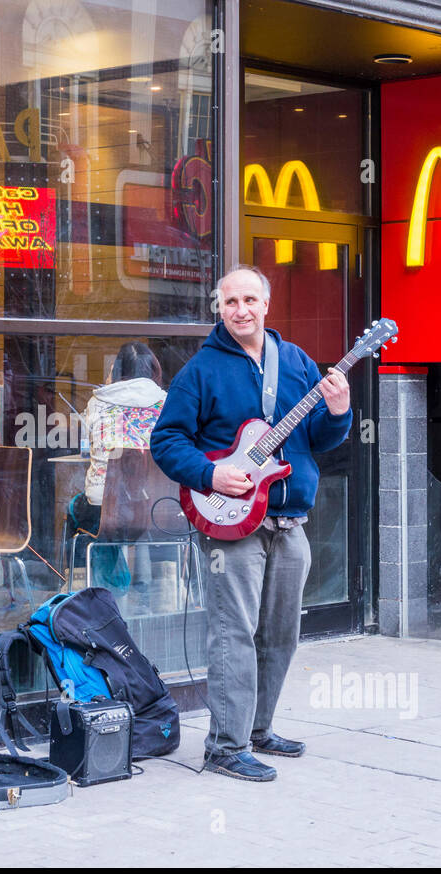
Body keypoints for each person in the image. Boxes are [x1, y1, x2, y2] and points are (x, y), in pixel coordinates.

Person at [150, 265, 351, 783]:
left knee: (281, 634)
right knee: (232, 633)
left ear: (266, 304)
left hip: (289, 520)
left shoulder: (298, 363)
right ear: (220, 308)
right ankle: (224, 746)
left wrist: (339, 411)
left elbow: (319, 440)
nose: (240, 310)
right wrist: (211, 473)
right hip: (230, 525)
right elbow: (167, 440)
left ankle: (257, 731)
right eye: (230, 301)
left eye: (249, 300)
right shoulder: (200, 371)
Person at [67, 342, 167, 590]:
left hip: (106, 504)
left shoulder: (98, 402)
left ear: (117, 369)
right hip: (158, 505)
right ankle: (145, 582)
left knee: (79, 507)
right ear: (153, 369)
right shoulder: (168, 403)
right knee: (136, 509)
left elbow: (92, 445)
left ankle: (106, 587)